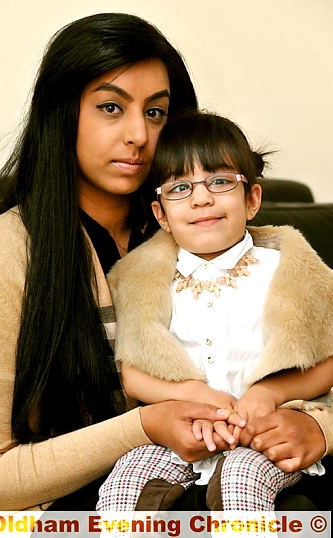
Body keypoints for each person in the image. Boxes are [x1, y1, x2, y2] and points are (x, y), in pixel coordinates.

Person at [0, 12, 329, 513]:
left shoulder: (225, 233)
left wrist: (318, 428)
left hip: (250, 486)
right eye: (111, 108)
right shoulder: (0, 255)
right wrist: (144, 425)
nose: (138, 134)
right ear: (62, 113)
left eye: (156, 113)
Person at [97, 109, 333, 513]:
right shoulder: (145, 283)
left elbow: (327, 358)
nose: (201, 198)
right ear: (161, 215)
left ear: (252, 199)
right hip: (178, 433)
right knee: (124, 483)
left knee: (240, 479)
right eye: (180, 188)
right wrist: (191, 396)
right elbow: (131, 373)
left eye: (220, 182)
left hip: (262, 433)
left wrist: (270, 392)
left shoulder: (286, 271)